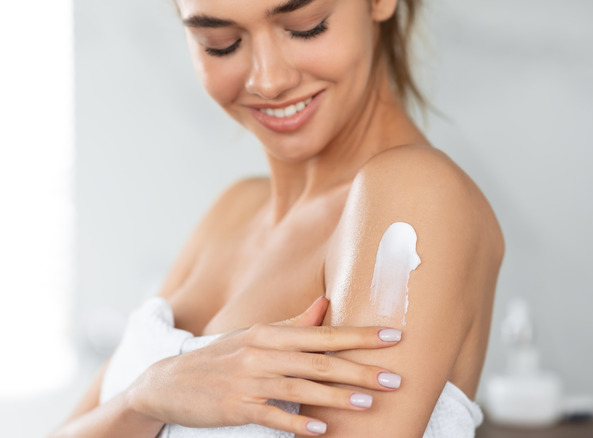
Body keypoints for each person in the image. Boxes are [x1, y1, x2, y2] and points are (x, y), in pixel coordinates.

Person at [50, 0, 504, 436]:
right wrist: (145, 398)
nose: (268, 80)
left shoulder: (414, 197)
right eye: (221, 42)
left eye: (306, 25)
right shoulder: (234, 211)